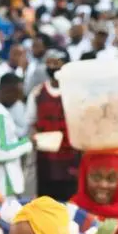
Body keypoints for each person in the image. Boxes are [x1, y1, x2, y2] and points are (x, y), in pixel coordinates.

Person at [26, 50, 80, 201]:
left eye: (57, 63)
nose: (52, 66)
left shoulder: (75, 92)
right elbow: (31, 122)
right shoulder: (37, 92)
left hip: (70, 159)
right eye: (49, 63)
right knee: (46, 202)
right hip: (45, 159)